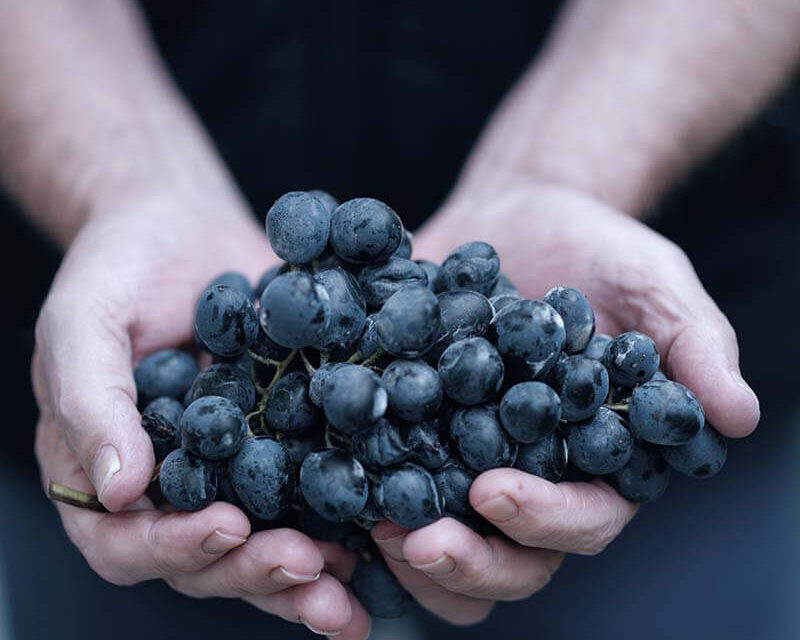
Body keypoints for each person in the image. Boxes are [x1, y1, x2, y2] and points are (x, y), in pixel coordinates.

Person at [1, 0, 794, 637]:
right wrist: (123, 186)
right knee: (150, 521)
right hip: (96, 354)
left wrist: (564, 169)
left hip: (729, 295)